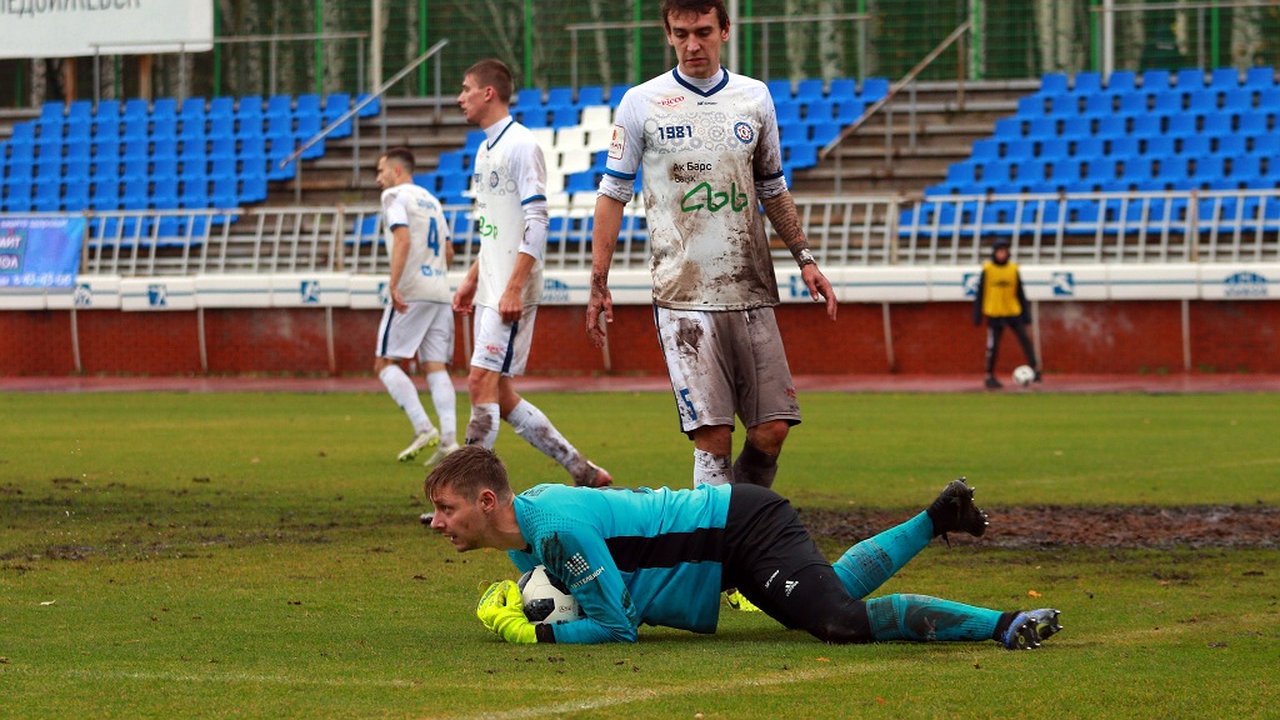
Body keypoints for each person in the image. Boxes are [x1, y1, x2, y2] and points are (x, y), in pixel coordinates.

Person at [425, 445, 1064, 650]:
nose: (437, 522)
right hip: (726, 542)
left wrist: (534, 634)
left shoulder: (555, 530)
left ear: (487, 503)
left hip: (740, 529)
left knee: (837, 622)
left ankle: (1005, 625)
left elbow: (617, 627)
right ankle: (938, 516)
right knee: (826, 595)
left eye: (445, 508)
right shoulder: (525, 543)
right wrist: (527, 600)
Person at [585, 0, 838, 493]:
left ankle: (740, 525)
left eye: (702, 31)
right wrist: (599, 282)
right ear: (669, 35)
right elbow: (613, 193)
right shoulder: (642, 102)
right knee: (713, 435)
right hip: (684, 298)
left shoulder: (754, 98)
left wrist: (805, 258)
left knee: (772, 429)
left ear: (725, 29)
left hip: (751, 291)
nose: (691, 44)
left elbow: (772, 186)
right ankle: (717, 547)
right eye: (680, 34)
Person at [453, 58, 612, 488]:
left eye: (466, 88)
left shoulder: (521, 145)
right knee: (500, 396)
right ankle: (582, 469)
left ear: (489, 93)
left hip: (511, 289)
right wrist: (473, 278)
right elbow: (495, 227)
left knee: (478, 381)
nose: (459, 97)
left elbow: (537, 221)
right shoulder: (486, 149)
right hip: (493, 283)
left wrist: (514, 288)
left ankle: (466, 494)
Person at [374, 147, 460, 467]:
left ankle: (423, 427)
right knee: (435, 366)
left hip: (412, 290)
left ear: (397, 171)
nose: (377, 177)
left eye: (381, 170)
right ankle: (450, 440)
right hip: (439, 289)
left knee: (384, 363)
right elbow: (449, 251)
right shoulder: (432, 201)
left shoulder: (394, 197)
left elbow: (403, 240)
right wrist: (433, 270)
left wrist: (395, 283)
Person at [973, 238, 1041, 389]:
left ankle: (1035, 370)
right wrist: (977, 314)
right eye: (999, 251)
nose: (1002, 254)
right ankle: (989, 375)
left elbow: (1020, 293)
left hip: (1012, 311)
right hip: (995, 312)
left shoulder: (1013, 269)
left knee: (1025, 340)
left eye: (1004, 251)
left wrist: (1026, 314)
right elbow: (980, 293)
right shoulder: (988, 269)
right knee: (993, 346)